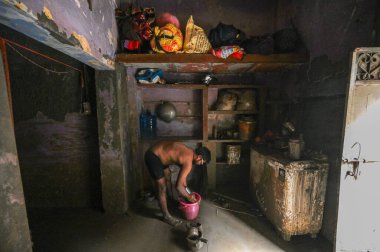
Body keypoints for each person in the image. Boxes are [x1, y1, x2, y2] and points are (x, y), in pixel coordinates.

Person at [144, 141, 211, 226]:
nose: (200, 164)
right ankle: (166, 216)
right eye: (201, 162)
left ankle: (168, 200)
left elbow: (183, 181)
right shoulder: (188, 162)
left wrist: (188, 192)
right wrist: (188, 196)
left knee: (168, 175)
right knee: (162, 187)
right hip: (153, 156)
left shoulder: (190, 152)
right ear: (199, 157)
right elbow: (179, 186)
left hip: (160, 155)